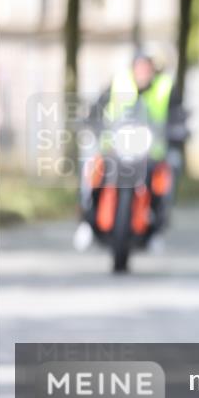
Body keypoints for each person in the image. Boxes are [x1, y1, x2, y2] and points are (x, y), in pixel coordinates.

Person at [73, 53, 180, 251]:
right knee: (89, 166)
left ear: (153, 71)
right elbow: (98, 108)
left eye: (147, 69)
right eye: (139, 69)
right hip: (115, 147)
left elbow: (176, 114)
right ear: (132, 69)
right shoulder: (119, 83)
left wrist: (176, 130)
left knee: (172, 168)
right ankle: (85, 220)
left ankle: (157, 225)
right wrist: (91, 122)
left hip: (151, 152)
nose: (143, 73)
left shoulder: (165, 87)